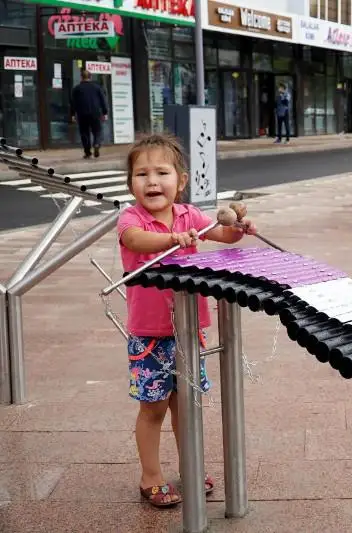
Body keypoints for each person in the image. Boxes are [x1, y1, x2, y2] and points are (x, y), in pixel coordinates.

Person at [117, 133, 257, 507]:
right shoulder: (133, 218)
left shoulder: (189, 214)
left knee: (186, 404)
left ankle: (189, 465)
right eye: (141, 174)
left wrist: (240, 228)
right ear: (131, 183)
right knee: (154, 407)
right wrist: (172, 240)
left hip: (188, 330)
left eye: (161, 172)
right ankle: (150, 476)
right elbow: (134, 241)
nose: (151, 181)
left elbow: (223, 234)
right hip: (149, 335)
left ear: (180, 181)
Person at [70, 70, 108, 159]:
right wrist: (105, 112)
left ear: (81, 77)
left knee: (84, 133)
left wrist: (72, 114)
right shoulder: (97, 87)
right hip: (95, 113)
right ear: (90, 77)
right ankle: (97, 144)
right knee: (97, 131)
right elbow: (103, 100)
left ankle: (87, 152)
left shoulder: (77, 89)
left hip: (82, 113)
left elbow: (73, 103)